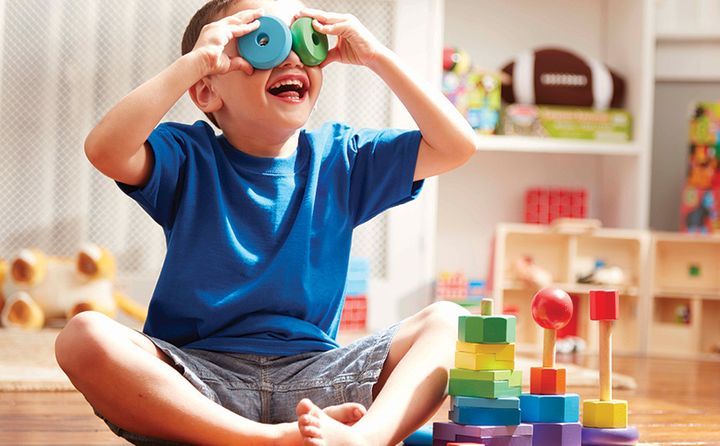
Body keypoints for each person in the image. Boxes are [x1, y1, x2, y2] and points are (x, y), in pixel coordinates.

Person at [55, 0, 476, 444]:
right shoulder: (188, 156)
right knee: (82, 336)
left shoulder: (343, 158)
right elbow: (105, 149)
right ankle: (263, 440)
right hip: (197, 384)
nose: (291, 56)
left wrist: (377, 57)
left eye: (302, 41)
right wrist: (192, 64)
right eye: (263, 41)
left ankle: (365, 439)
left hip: (315, 377)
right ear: (207, 90)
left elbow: (455, 146)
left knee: (450, 321)